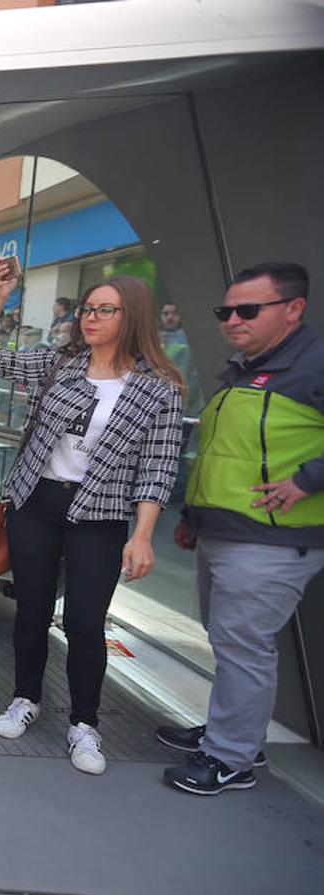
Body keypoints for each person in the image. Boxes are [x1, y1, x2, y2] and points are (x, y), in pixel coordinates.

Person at [0, 263, 183, 775]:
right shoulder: (61, 363)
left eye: (106, 310)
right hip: (37, 504)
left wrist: (144, 535)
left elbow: (158, 468)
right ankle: (25, 697)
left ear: (133, 318)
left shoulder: (159, 389)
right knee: (33, 610)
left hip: (101, 514)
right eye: (88, 308)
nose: (91, 318)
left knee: (86, 623)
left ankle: (84, 724)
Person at [158, 262, 323, 795]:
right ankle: (231, 733)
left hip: (271, 539)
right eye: (225, 311)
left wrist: (309, 479)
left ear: (293, 308)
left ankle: (231, 759)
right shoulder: (247, 367)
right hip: (222, 531)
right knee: (229, 641)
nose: (232, 319)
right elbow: (225, 451)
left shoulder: (314, 363)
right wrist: (192, 515)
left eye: (248, 310)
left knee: (243, 645)